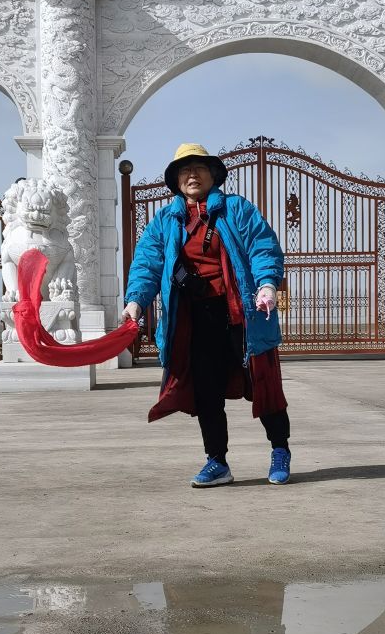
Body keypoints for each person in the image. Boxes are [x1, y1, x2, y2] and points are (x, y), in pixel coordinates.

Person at [121, 142, 291, 487]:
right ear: (176, 180)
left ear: (213, 175)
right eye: (185, 170)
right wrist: (135, 301)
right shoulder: (165, 221)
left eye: (199, 168)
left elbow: (262, 247)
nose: (192, 175)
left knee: (264, 385)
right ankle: (217, 461)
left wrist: (266, 284)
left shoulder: (236, 209)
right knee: (206, 392)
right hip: (194, 319)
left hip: (242, 314)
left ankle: (280, 450)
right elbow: (147, 264)